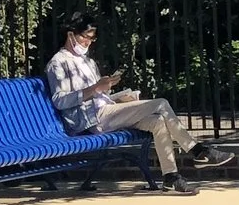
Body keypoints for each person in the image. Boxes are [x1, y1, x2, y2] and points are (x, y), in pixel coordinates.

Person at [42, 13, 228, 193]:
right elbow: (60, 100)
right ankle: (197, 150)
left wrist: (118, 96)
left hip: (105, 111)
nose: (88, 43)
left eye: (92, 39)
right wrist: (96, 88)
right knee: (161, 103)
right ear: (70, 34)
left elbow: (99, 95)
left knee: (158, 121)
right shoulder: (58, 63)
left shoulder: (87, 62)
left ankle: (171, 176)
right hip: (90, 119)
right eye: (85, 38)